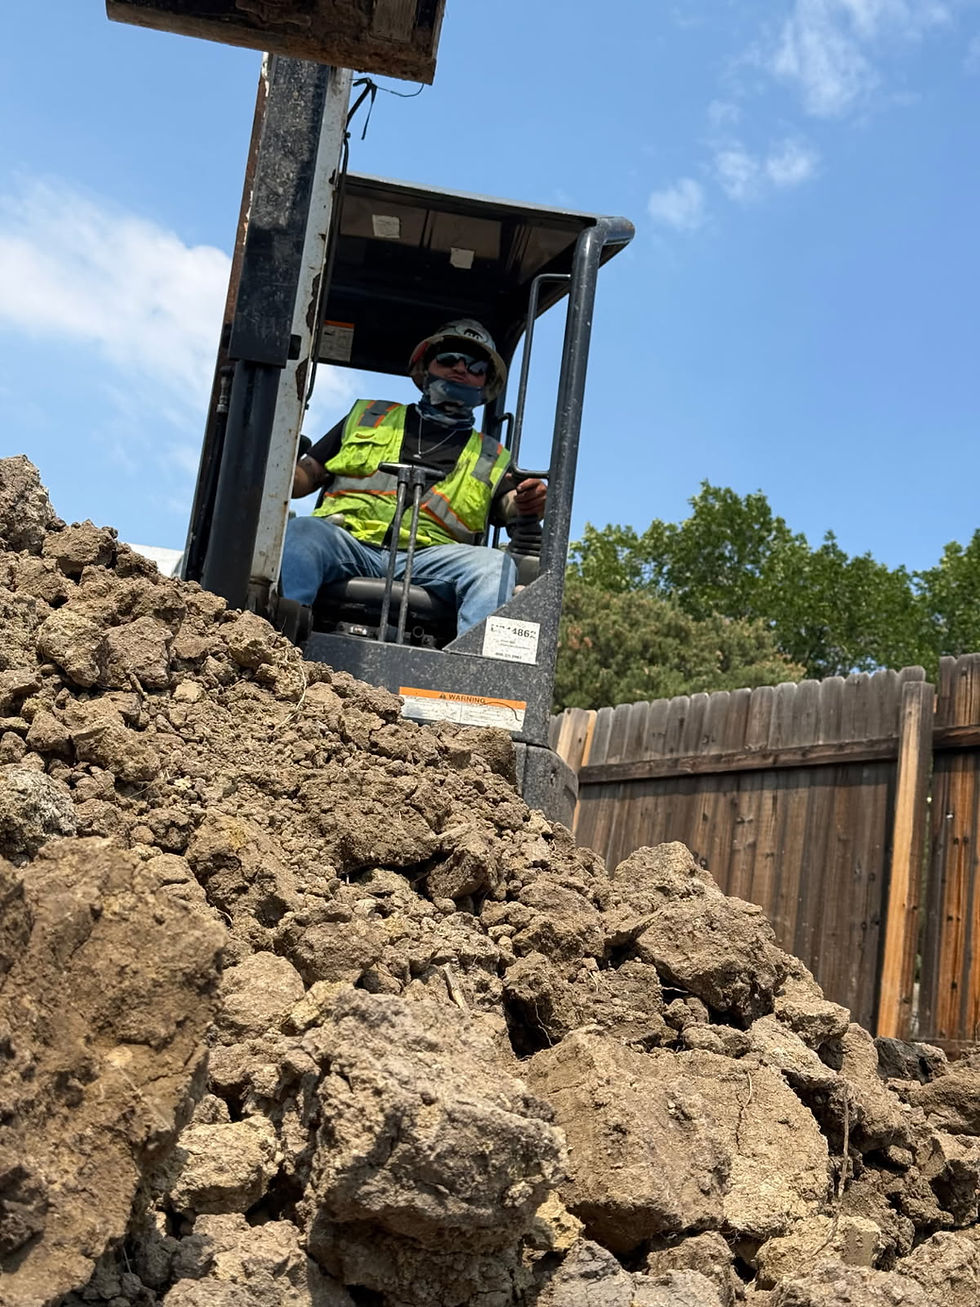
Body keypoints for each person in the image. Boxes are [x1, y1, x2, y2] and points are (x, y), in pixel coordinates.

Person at [279, 319, 546, 634]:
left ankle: (469, 674)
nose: (461, 369)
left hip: (430, 560)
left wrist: (530, 500)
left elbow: (511, 504)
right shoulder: (367, 417)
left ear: (486, 383)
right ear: (425, 367)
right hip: (350, 543)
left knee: (494, 566)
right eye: (449, 359)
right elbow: (304, 477)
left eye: (475, 366)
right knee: (303, 532)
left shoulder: (491, 456)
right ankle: (279, 646)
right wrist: (275, 464)